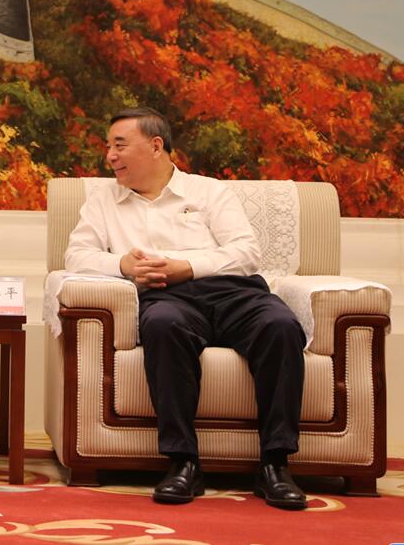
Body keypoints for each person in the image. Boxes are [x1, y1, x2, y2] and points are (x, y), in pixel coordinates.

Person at [64, 107, 308, 510]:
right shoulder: (103, 200)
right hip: (165, 297)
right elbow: (76, 255)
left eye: (120, 145)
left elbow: (246, 252)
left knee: (280, 325)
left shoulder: (208, 191)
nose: (110, 156)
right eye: (108, 146)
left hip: (233, 293)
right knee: (162, 325)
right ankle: (183, 463)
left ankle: (275, 465)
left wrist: (187, 266)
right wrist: (122, 264)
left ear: (155, 145)